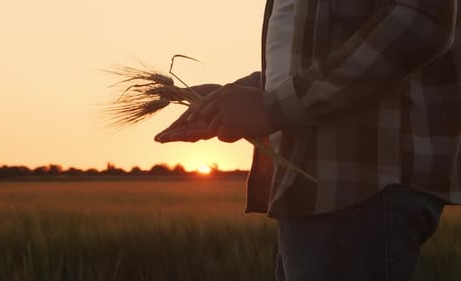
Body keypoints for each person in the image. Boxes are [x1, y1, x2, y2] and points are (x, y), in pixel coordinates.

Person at [155, 0, 461, 280]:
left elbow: (423, 21)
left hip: (358, 190)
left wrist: (271, 107)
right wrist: (234, 98)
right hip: (320, 194)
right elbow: (315, 59)